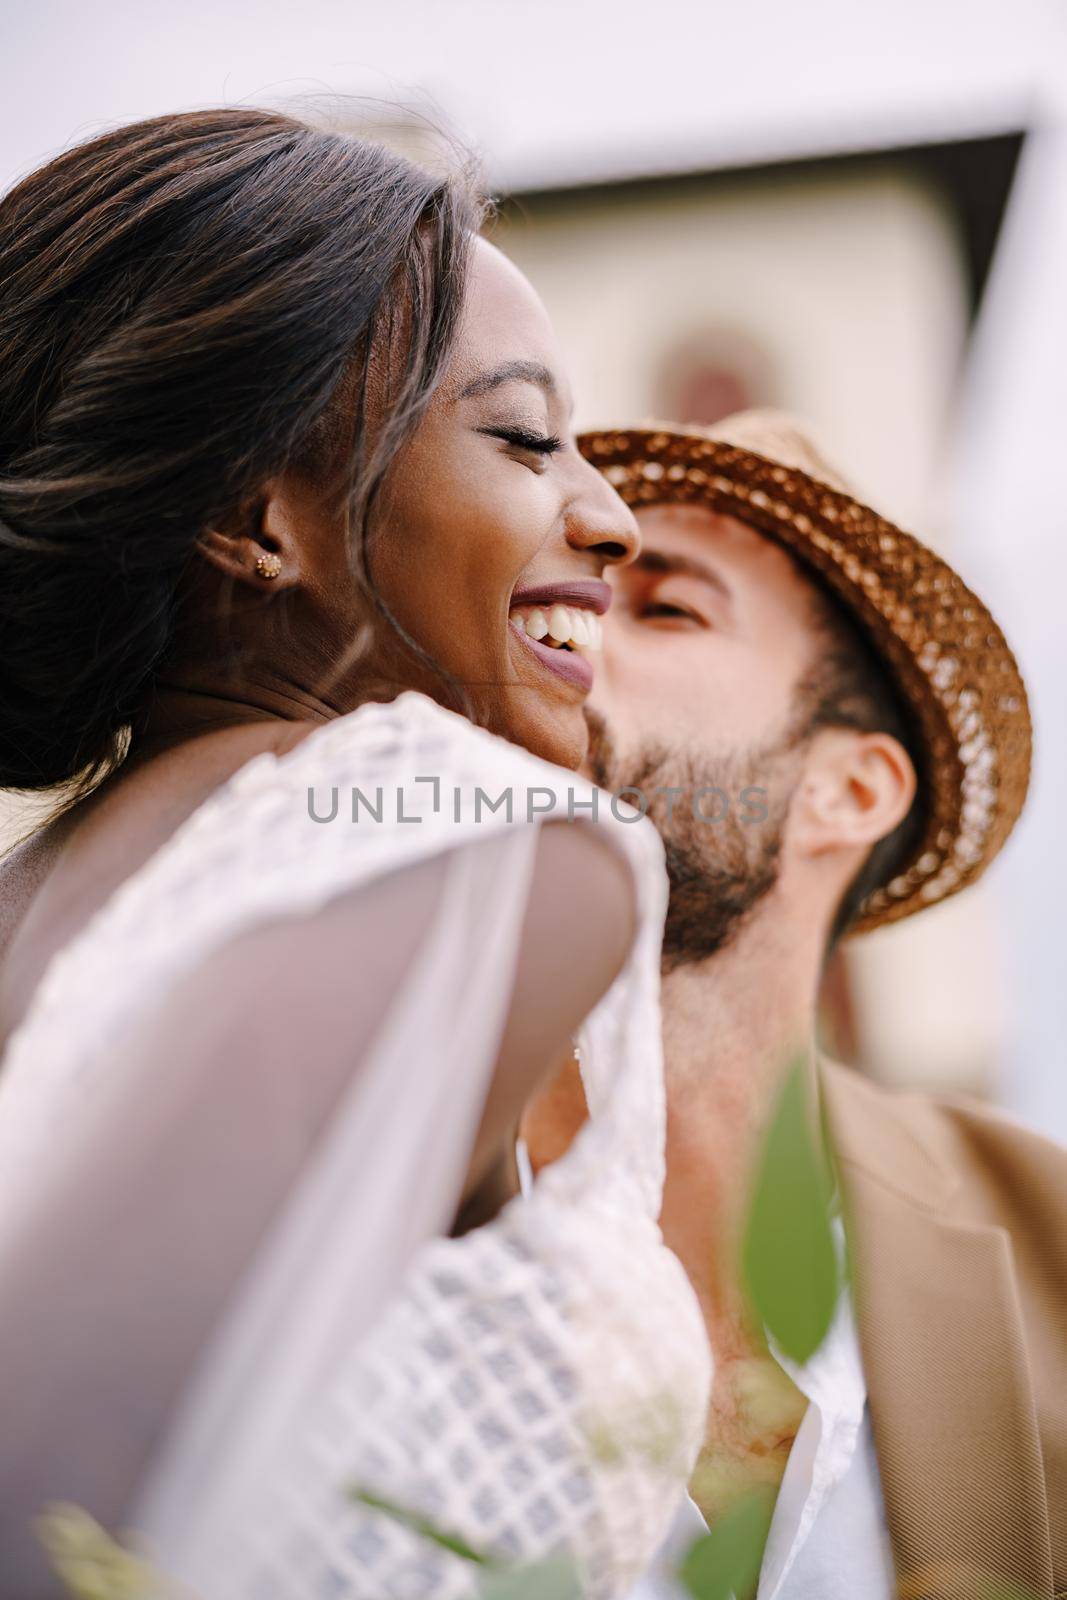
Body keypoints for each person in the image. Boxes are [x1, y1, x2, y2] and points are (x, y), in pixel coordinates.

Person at [0, 110, 712, 1598]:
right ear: (261, 520)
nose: (609, 515)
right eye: (521, 439)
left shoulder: (42, 900)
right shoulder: (452, 839)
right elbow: (48, 1463)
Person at [522, 412, 1065, 1600]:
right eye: (552, 600)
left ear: (846, 788)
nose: (562, 636)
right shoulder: (342, 1211)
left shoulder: (1052, 1244)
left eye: (664, 607)